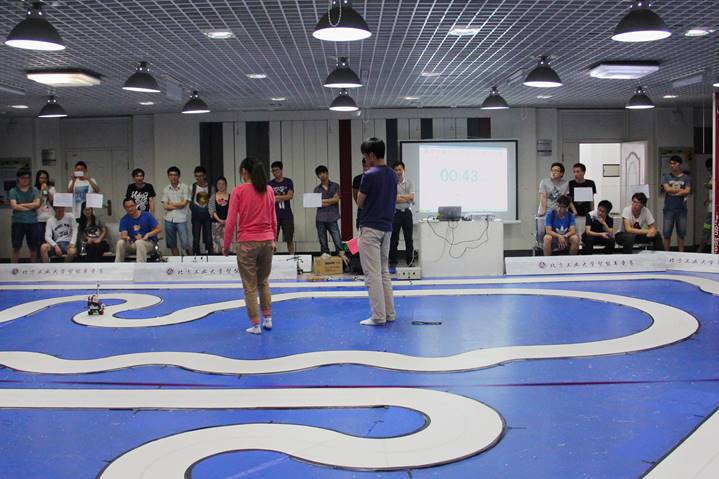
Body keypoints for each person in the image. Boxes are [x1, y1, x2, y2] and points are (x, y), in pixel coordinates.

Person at [223, 157, 277, 335]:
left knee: (250, 286)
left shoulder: (238, 191)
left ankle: (255, 325)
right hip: (267, 241)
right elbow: (273, 218)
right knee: (263, 282)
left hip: (247, 243)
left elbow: (230, 222)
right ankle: (268, 319)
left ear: (244, 172)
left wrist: (226, 245)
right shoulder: (269, 190)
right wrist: (274, 239)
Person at [357, 138, 398, 326]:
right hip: (387, 227)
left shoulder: (369, 175)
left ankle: (378, 316)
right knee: (383, 272)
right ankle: (389, 313)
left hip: (370, 228)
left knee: (372, 275)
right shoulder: (392, 174)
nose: (365, 160)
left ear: (372, 155)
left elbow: (360, 202)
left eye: (365, 156)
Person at [116, 197, 161, 263]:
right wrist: (126, 237)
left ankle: (140, 266)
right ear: (124, 208)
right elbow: (123, 235)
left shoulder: (147, 215)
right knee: (120, 242)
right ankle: (118, 265)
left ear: (136, 205)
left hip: (147, 243)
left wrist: (148, 234)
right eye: (127, 207)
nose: (130, 209)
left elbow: (159, 229)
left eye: (132, 206)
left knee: (139, 242)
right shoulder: (124, 219)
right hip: (132, 243)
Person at [9, 168, 40, 263]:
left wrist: (21, 205)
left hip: (32, 222)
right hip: (18, 222)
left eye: (27, 178)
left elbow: (37, 204)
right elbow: (14, 206)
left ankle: (33, 268)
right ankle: (13, 269)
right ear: (18, 178)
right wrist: (30, 206)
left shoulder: (34, 190)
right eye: (23, 178)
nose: (25, 180)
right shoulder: (13, 191)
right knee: (16, 247)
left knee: (33, 247)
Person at [661, 155, 691, 251]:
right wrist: (681, 191)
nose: (672, 165)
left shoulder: (686, 177)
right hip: (669, 209)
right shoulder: (666, 176)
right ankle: (666, 254)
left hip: (682, 210)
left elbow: (687, 191)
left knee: (681, 234)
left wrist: (673, 191)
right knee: (666, 234)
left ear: (680, 164)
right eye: (670, 163)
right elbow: (667, 189)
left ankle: (681, 255)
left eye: (674, 163)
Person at [389, 161, 415, 267]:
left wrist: (400, 196)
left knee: (409, 238)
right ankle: (393, 262)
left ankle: (410, 261)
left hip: (407, 213)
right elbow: (393, 199)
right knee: (394, 238)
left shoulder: (410, 182)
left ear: (404, 170)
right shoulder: (391, 183)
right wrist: (406, 197)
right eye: (396, 170)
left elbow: (412, 197)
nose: (398, 172)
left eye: (400, 170)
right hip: (395, 213)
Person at [161, 166, 191, 256]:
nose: (173, 177)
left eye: (175, 175)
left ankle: (193, 261)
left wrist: (171, 204)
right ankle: (177, 262)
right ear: (168, 176)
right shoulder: (166, 189)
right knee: (172, 244)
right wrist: (178, 204)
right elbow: (165, 206)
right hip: (169, 219)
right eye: (171, 175)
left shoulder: (185, 187)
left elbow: (184, 203)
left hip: (181, 219)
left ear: (179, 176)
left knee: (185, 243)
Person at [313, 165, 343, 256]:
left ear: (327, 173)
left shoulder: (336, 186)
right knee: (323, 242)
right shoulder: (316, 189)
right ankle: (325, 258)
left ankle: (342, 258)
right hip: (320, 218)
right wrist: (331, 200)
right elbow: (317, 203)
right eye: (319, 174)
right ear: (318, 176)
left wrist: (322, 201)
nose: (322, 175)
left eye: (323, 173)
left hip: (332, 217)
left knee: (338, 240)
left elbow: (336, 200)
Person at [269, 161, 295, 255]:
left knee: (289, 238)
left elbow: (290, 196)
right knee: (273, 238)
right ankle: (271, 258)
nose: (275, 173)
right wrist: (282, 197)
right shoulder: (270, 184)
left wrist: (276, 197)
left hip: (287, 214)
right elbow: (269, 199)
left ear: (281, 170)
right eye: (273, 171)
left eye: (276, 170)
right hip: (274, 215)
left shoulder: (288, 181)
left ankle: (291, 256)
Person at [190, 166, 214, 255]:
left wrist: (211, 212)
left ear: (204, 176)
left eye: (200, 176)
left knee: (208, 237)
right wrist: (193, 209)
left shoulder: (211, 187)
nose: (198, 178)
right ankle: (196, 256)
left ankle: (210, 255)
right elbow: (190, 201)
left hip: (207, 215)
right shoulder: (192, 187)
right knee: (196, 238)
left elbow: (212, 201)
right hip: (196, 215)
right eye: (196, 176)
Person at [208, 176, 230, 254]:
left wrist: (227, 220)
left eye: (223, 184)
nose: (221, 186)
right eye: (219, 184)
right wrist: (220, 220)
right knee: (216, 243)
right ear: (216, 185)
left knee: (227, 243)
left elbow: (232, 210)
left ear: (226, 185)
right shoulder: (212, 197)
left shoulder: (230, 196)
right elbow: (212, 211)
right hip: (216, 223)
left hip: (228, 223)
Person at [35, 169, 55, 244]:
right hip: (39, 219)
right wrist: (41, 191)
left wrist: (47, 190)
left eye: (45, 178)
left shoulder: (52, 188)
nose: (44, 180)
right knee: (40, 242)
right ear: (38, 179)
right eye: (41, 178)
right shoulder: (34, 189)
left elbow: (53, 203)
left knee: (51, 241)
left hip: (51, 218)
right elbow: (37, 203)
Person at [698, 158, 713, 253]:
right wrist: (707, 199)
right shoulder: (711, 176)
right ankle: (701, 249)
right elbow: (709, 190)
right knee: (706, 228)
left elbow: (713, 187)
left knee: (707, 229)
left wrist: (710, 186)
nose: (709, 170)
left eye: (710, 168)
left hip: (715, 209)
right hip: (710, 209)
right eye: (708, 169)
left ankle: (700, 249)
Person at [352, 157, 369, 229]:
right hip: (362, 208)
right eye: (365, 166)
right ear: (363, 165)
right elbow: (355, 195)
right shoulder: (357, 179)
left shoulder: (378, 178)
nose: (367, 168)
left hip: (374, 208)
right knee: (360, 227)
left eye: (369, 166)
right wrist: (360, 204)